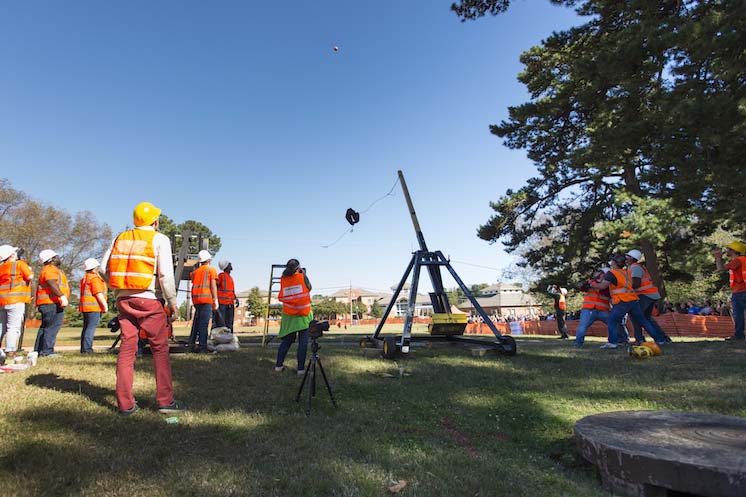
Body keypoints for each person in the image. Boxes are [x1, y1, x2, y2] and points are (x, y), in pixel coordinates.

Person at [101, 201, 185, 415]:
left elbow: (102, 268)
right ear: (155, 221)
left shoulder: (120, 238)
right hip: (148, 299)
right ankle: (165, 401)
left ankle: (125, 404)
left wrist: (118, 286)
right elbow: (165, 273)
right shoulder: (159, 239)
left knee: (127, 349)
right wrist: (172, 301)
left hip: (124, 300)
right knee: (159, 349)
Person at [591, 254, 666, 349]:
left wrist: (591, 285)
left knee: (612, 320)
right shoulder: (625, 272)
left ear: (614, 263)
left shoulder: (612, 273)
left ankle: (612, 342)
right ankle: (659, 339)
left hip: (622, 301)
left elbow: (603, 286)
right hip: (633, 299)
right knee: (643, 320)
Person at [625, 249, 672, 345]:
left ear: (633, 258)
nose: (626, 258)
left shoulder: (635, 268)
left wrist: (625, 288)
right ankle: (663, 338)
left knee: (636, 316)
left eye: (628, 256)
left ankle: (641, 339)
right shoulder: (635, 267)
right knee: (646, 318)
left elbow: (636, 284)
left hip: (645, 295)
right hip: (650, 295)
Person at [274, 258, 313, 375]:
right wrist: (304, 274)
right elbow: (309, 287)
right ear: (298, 267)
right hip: (303, 315)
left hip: (289, 315)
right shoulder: (302, 276)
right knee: (303, 343)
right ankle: (300, 369)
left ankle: (278, 366)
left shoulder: (283, 279)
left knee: (287, 341)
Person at [34, 249, 70, 358]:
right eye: (56, 256)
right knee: (52, 327)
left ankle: (38, 350)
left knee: (45, 327)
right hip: (52, 303)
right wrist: (62, 296)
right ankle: (47, 351)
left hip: (47, 303)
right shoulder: (50, 269)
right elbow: (51, 282)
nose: (59, 258)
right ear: (51, 259)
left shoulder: (48, 269)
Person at [0, 245, 33, 359]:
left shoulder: (1, 267)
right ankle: (10, 354)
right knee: (13, 328)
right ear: (12, 255)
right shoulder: (20, 264)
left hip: (2, 301)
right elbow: (30, 276)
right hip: (16, 300)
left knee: (2, 327)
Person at [713, 240, 746, 341]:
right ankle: (739, 335)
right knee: (739, 314)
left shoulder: (737, 260)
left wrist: (718, 257)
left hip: (740, 292)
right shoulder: (742, 259)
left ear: (734, 251)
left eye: (728, 249)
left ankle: (739, 336)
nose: (726, 250)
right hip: (741, 290)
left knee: (738, 315)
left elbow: (720, 269)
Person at [188, 250, 218, 353]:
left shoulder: (195, 272)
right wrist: (215, 299)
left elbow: (192, 278)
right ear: (208, 259)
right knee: (203, 325)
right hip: (206, 300)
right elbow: (213, 285)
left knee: (196, 324)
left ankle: (191, 345)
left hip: (196, 301)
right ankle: (202, 348)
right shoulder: (211, 270)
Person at [573, 269, 611, 348]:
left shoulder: (608, 285)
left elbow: (605, 292)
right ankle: (578, 344)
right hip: (589, 309)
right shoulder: (589, 281)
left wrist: (593, 285)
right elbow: (580, 287)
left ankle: (621, 340)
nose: (595, 273)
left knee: (614, 324)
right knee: (582, 326)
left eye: (598, 271)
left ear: (603, 273)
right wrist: (581, 285)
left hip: (602, 310)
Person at [79, 258, 108, 353]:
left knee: (86, 328)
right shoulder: (95, 279)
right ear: (95, 268)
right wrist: (104, 305)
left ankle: (84, 349)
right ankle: (87, 349)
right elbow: (98, 293)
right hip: (94, 307)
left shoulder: (86, 278)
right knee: (90, 328)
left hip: (85, 307)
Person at [215, 259, 237, 332]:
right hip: (223, 304)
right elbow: (215, 285)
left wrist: (235, 298)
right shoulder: (221, 276)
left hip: (230, 303)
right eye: (229, 264)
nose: (231, 265)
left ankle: (229, 339)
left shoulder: (230, 278)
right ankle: (221, 339)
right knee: (222, 323)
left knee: (229, 324)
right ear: (226, 267)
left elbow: (231, 291)